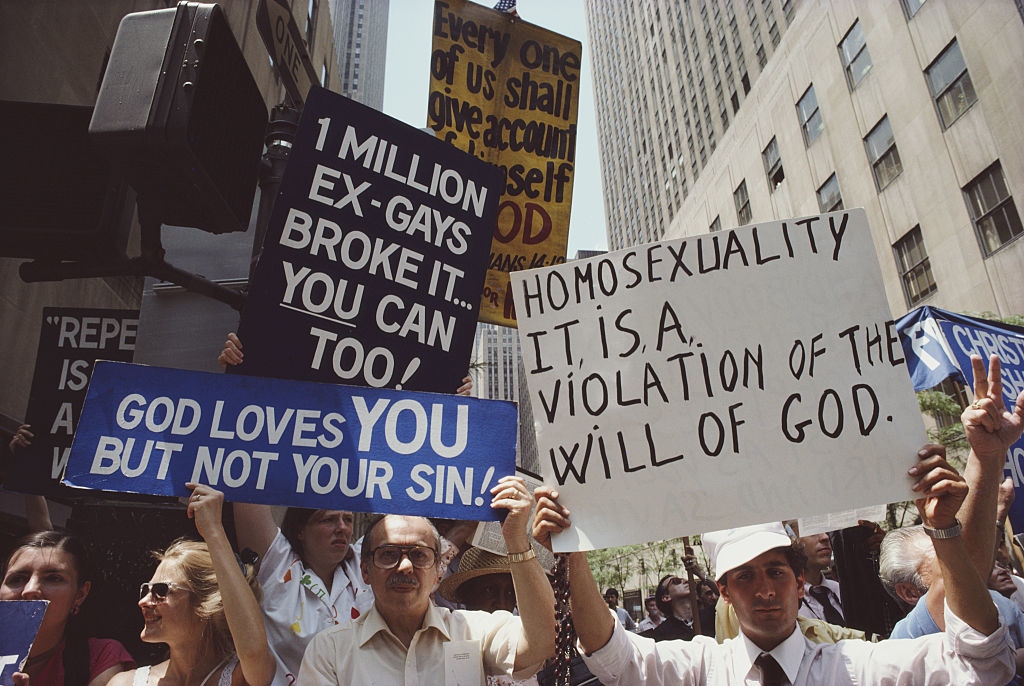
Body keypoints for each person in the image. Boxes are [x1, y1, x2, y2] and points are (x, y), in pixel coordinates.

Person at [532, 444, 1015, 684]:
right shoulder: (702, 668)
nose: (764, 589)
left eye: (776, 572)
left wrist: (945, 531)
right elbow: (612, 655)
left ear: (800, 582)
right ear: (723, 590)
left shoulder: (856, 668)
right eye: (744, 575)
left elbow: (982, 662)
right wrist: (573, 555)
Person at [218, 331, 473, 684]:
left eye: (347, 519)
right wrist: (239, 387)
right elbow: (246, 483)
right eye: (327, 520)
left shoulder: (371, 565)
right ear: (299, 530)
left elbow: (420, 493)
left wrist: (449, 413)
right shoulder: (276, 568)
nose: (341, 527)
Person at [298, 476, 556, 685]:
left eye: (419, 555)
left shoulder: (473, 631)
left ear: (437, 571)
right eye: (389, 554)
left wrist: (516, 540)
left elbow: (542, 642)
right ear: (365, 571)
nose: (406, 566)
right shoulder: (330, 650)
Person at [108, 483, 275, 686]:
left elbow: (254, 652)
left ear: (205, 602)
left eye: (161, 590)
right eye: (146, 589)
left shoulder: (239, 678)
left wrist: (213, 530)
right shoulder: (124, 683)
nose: (143, 601)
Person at [1, 531, 134, 686]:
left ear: (80, 594)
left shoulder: (100, 656)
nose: (30, 590)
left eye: (53, 578)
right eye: (17, 579)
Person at [437, 546, 540, 686]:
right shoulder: (444, 641)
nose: (501, 603)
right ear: (466, 594)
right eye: (490, 590)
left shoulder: (520, 642)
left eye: (510, 593)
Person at [795, 531, 845, 626]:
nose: (825, 537)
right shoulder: (788, 602)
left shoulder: (838, 589)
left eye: (827, 531)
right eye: (813, 531)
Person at [650, 575, 698, 641]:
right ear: (666, 597)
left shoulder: (709, 616)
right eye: (676, 581)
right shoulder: (662, 634)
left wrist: (700, 574)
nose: (685, 581)